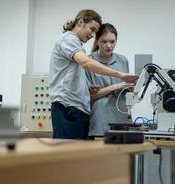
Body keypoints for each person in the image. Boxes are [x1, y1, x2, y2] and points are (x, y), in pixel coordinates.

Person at [49, 10, 138, 139]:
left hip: (78, 109)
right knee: (67, 154)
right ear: (80, 22)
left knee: (79, 156)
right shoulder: (68, 40)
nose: (91, 35)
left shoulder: (77, 45)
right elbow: (85, 62)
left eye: (94, 32)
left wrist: (86, 89)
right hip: (68, 108)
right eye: (92, 29)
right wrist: (121, 76)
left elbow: (73, 76)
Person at [86, 23, 133, 138]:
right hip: (100, 122)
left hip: (123, 119)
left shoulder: (122, 60)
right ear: (97, 41)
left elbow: (125, 87)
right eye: (104, 41)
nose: (109, 45)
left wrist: (130, 89)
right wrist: (116, 86)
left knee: (124, 156)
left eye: (112, 41)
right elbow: (89, 96)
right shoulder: (89, 62)